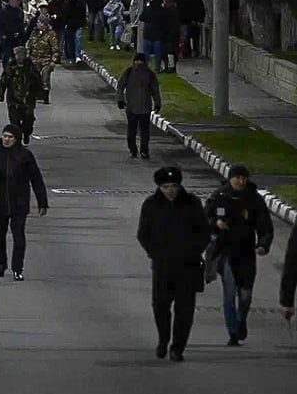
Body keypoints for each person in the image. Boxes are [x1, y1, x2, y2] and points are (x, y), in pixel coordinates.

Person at [137, 166, 212, 361]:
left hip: (189, 266)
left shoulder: (192, 203)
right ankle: (163, 339)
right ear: (159, 187)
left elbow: (204, 232)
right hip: (163, 267)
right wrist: (155, 254)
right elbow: (143, 234)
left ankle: (177, 347)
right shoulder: (151, 205)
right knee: (160, 306)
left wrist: (193, 251)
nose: (170, 190)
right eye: (166, 186)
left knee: (185, 310)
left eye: (174, 186)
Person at [204, 164, 273, 345]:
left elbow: (264, 224)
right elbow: (205, 218)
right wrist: (216, 223)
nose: (241, 181)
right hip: (225, 251)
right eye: (237, 178)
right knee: (229, 292)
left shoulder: (254, 199)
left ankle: (241, 319)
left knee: (245, 295)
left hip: (246, 252)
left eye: (244, 178)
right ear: (230, 178)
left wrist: (263, 245)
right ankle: (232, 332)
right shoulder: (220, 196)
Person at [0, 124, 48, 280]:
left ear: (16, 139)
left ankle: (17, 269)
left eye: (10, 137)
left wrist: (42, 202)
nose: (6, 139)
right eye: (4, 136)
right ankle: (1, 264)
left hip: (19, 202)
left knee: (18, 236)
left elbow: (36, 179)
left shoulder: (25, 156)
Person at [117, 53, 162, 159]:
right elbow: (155, 91)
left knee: (132, 130)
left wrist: (120, 100)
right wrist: (157, 104)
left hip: (131, 107)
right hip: (145, 108)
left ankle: (133, 150)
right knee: (144, 131)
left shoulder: (129, 72)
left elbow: (120, 87)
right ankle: (143, 151)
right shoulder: (149, 74)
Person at [0, 45, 43, 144]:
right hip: (13, 99)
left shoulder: (31, 68)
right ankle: (17, 140)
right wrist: (0, 95)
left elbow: (38, 82)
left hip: (28, 100)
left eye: (22, 54)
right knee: (14, 122)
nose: (19, 56)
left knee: (28, 121)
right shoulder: (10, 67)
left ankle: (26, 133)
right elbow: (3, 81)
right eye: (17, 54)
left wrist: (40, 94)